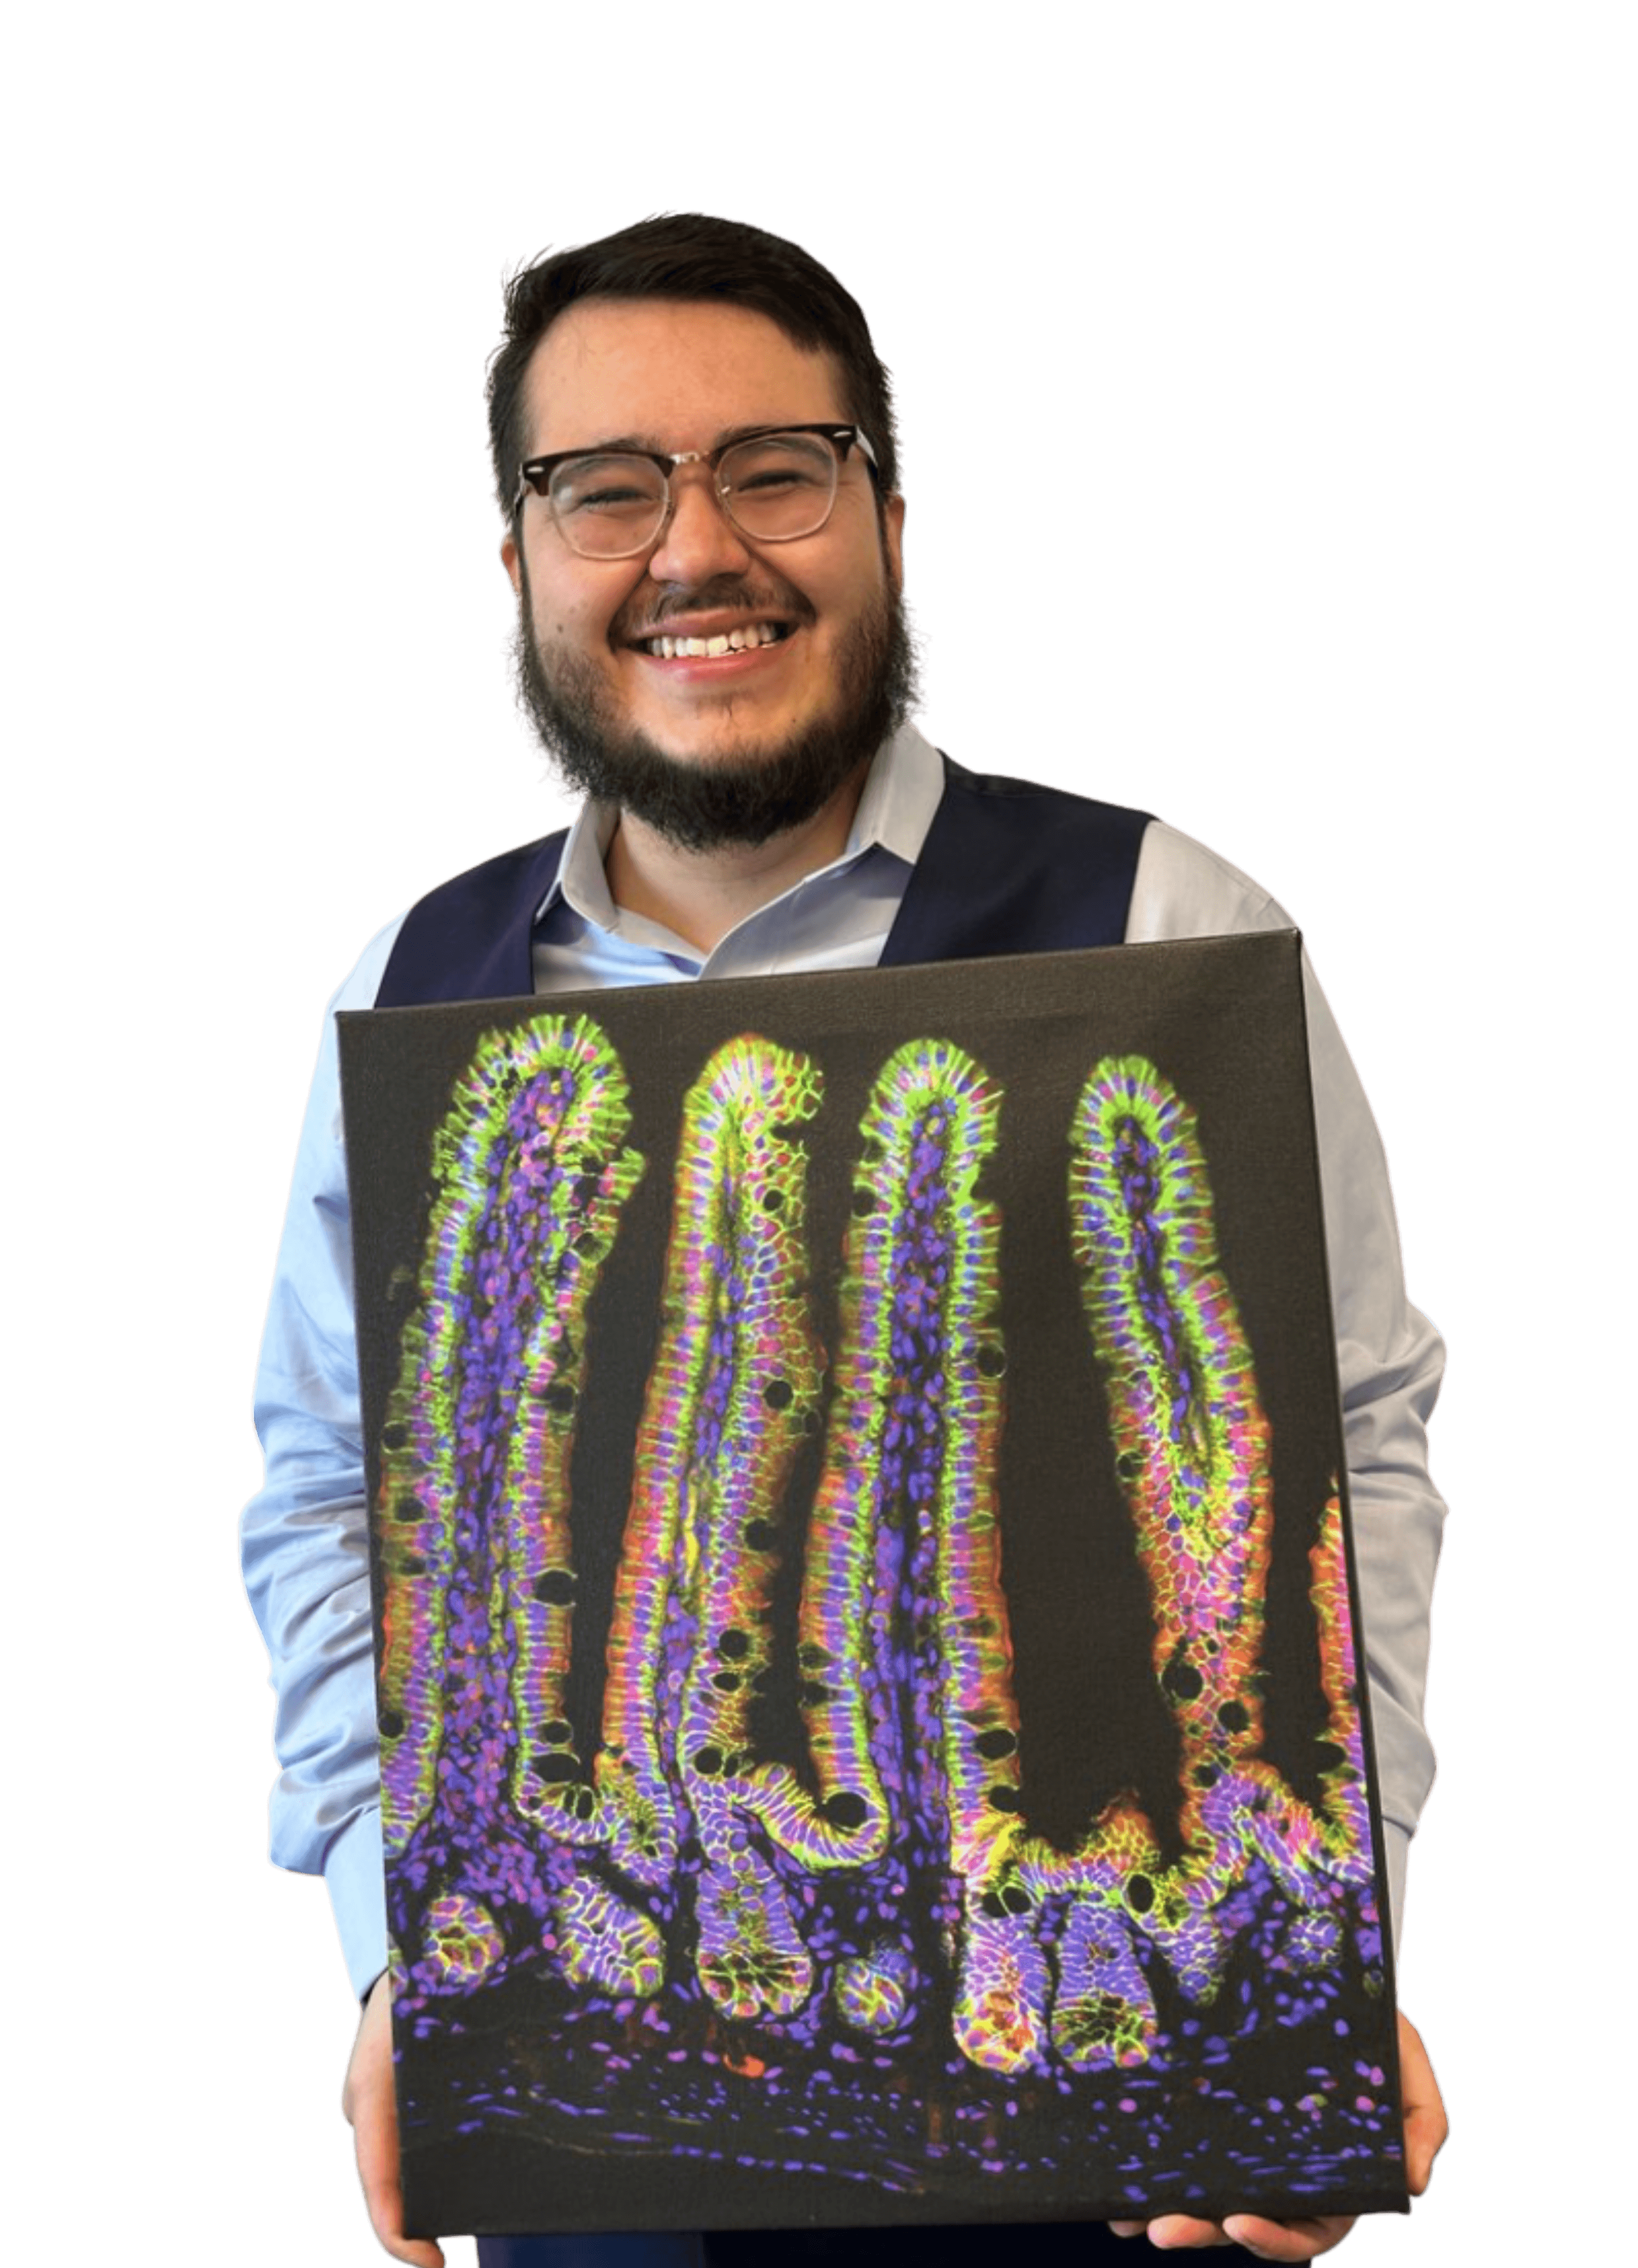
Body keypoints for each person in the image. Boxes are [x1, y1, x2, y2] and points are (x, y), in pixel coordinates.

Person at [239, 213, 1450, 2267]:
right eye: (604, 488)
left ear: (887, 508)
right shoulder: (415, 992)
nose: (696, 547)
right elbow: (325, 1498)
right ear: (520, 564)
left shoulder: (1174, 926)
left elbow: (1346, 1447)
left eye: (775, 468)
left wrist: (1325, 1937)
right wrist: (400, 1959)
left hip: (1101, 2116)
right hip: (570, 2114)